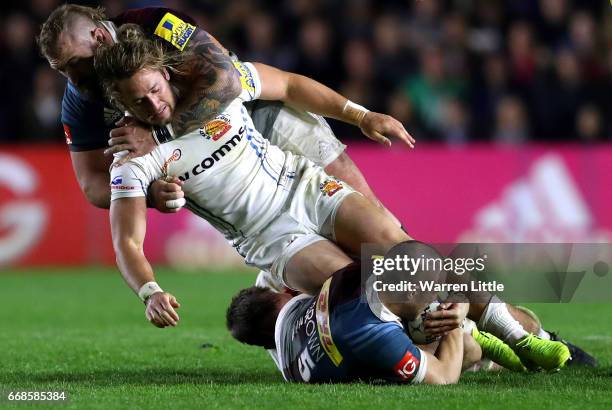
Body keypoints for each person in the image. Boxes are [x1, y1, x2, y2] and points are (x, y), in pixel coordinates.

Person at [95, 28, 576, 373]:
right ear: (122, 106)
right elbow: (127, 242)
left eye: (155, 90)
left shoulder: (217, 82)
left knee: (410, 257)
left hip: (306, 187)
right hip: (277, 241)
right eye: (138, 102)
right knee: (375, 295)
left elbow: (291, 84)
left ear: (164, 72)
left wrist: (360, 116)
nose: (154, 105)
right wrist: (150, 291)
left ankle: (515, 337)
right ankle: (468, 342)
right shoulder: (137, 160)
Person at [37, 4, 409, 228]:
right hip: (223, 170)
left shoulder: (157, 24)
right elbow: (91, 183)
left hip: (263, 116)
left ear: (100, 37)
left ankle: (449, 306)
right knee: (320, 249)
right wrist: (148, 193)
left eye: (74, 64)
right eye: (61, 70)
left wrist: (160, 136)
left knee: (370, 216)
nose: (72, 78)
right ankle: (398, 328)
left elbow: (229, 81)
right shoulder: (81, 99)